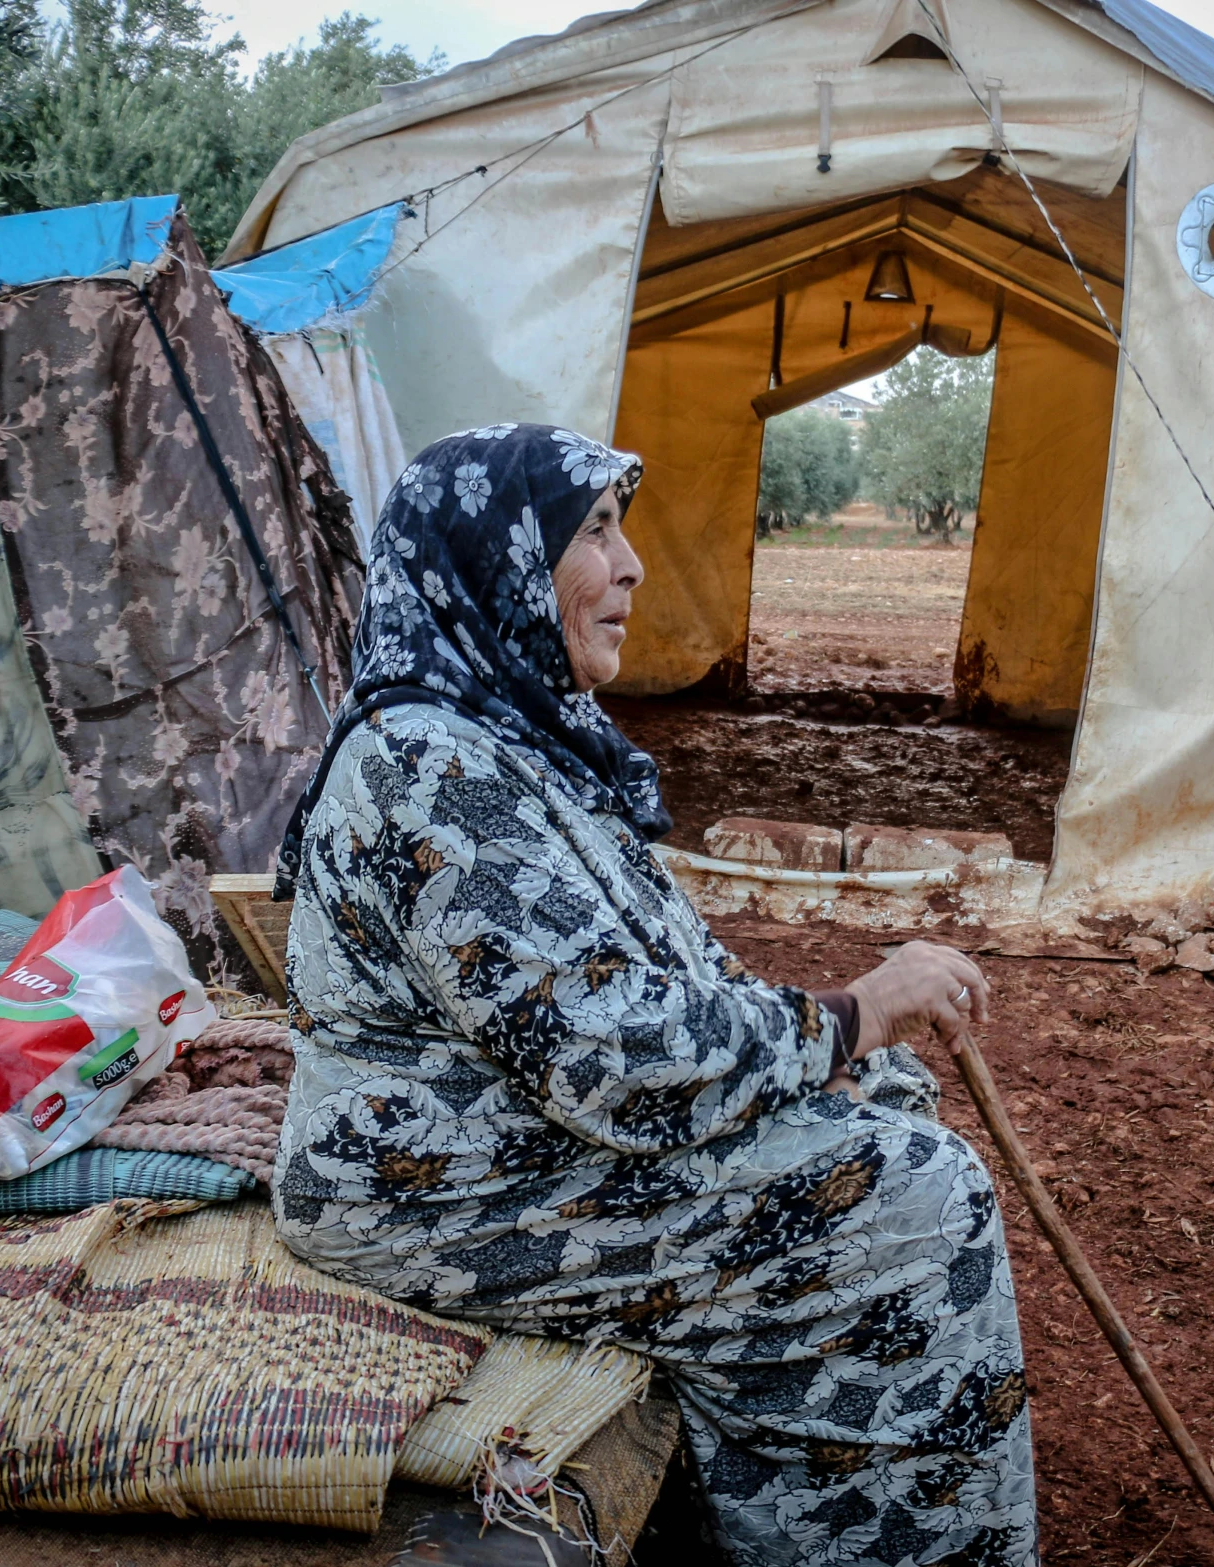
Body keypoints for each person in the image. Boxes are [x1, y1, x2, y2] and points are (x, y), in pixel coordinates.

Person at [271, 422, 1036, 1567]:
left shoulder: (509, 742)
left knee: (887, 1101)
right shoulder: (428, 766)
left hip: (524, 1130)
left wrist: (848, 1048)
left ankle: (784, 1498)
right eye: (591, 530)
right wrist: (848, 1012)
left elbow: (661, 977)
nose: (629, 563)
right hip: (433, 1179)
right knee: (913, 1196)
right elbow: (611, 1059)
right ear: (498, 561)